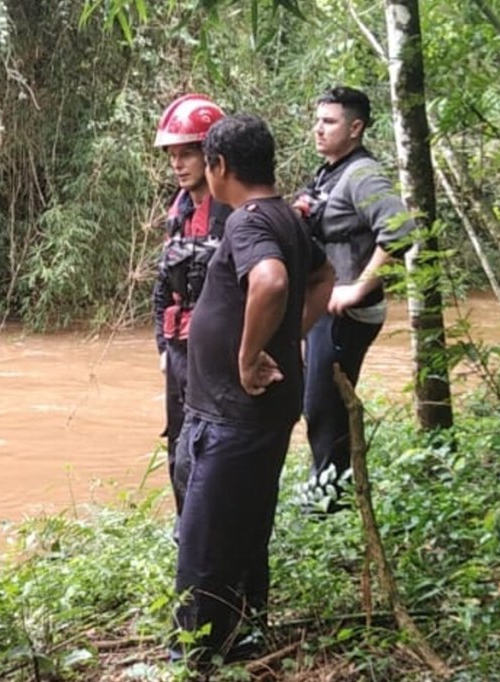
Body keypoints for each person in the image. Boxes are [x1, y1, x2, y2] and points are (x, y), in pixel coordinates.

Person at [171, 114, 334, 664]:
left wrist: (246, 358)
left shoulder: (248, 222)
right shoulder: (285, 215)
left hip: (233, 414)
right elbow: (323, 277)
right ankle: (242, 631)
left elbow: (272, 280)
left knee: (205, 543)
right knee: (243, 525)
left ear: (219, 167)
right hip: (247, 413)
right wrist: (289, 333)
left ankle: (196, 656)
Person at [292, 86, 415, 513]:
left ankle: (328, 508)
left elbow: (400, 229)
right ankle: (326, 495)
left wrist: (359, 287)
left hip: (347, 314)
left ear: (356, 127)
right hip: (323, 311)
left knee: (324, 409)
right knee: (317, 405)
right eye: (317, 120)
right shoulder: (330, 172)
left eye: (329, 122)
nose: (318, 129)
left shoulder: (362, 174)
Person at [151, 94, 233, 517]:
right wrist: (163, 349)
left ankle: (211, 536)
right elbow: (163, 286)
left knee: (209, 450)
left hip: (218, 353)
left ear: (211, 155)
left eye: (187, 154)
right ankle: (186, 532)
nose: (178, 164)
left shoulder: (233, 213)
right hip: (181, 350)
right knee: (178, 446)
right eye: (172, 156)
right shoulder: (180, 209)